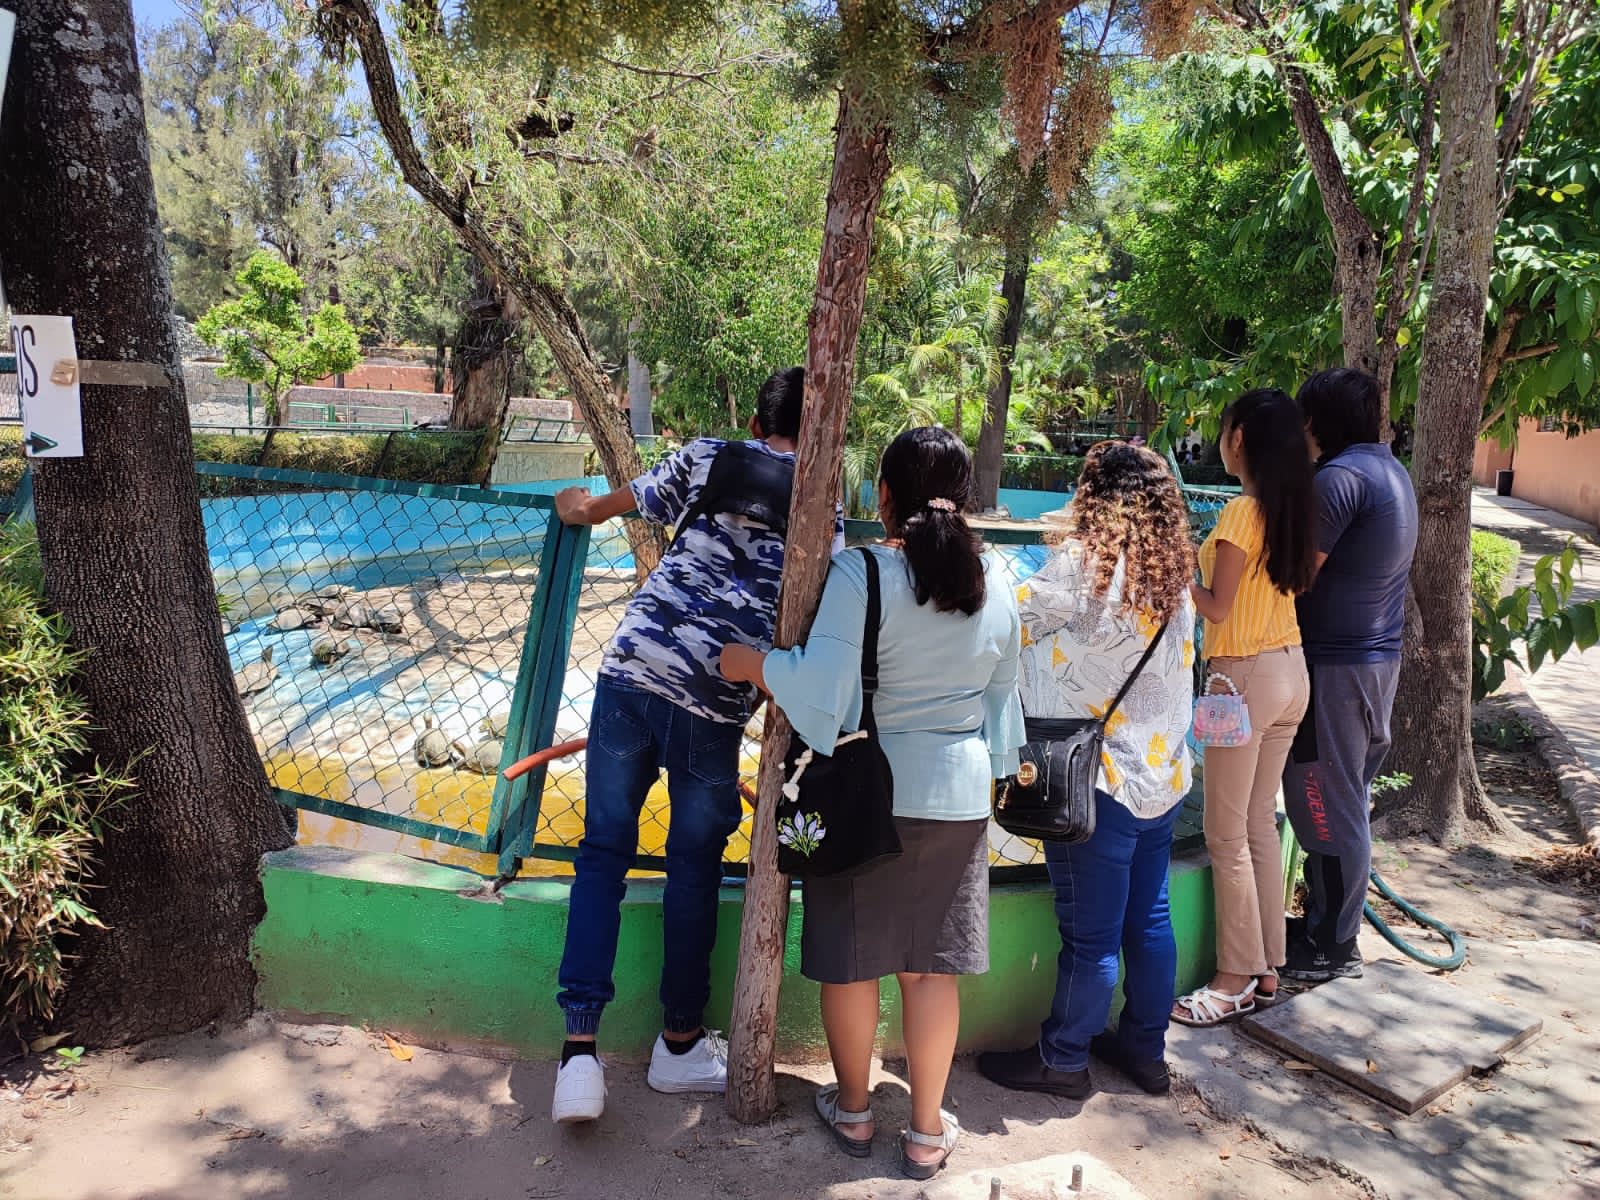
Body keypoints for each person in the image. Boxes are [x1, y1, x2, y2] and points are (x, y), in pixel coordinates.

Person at [719, 427, 1024, 1181]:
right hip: (957, 798)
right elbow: (1002, 703)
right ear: (970, 498)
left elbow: (825, 691)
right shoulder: (999, 582)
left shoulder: (862, 572)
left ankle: (853, 1111)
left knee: (852, 965)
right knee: (931, 972)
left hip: (867, 795)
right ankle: (926, 1132)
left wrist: (753, 663)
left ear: (882, 495)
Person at [548, 366, 841, 1124]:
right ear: (821, 431)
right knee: (693, 872)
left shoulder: (713, 454)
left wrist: (579, 509)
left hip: (632, 666)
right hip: (714, 700)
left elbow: (623, 502)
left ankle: (578, 1055)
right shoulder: (822, 503)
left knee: (602, 856)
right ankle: (678, 1045)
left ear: (758, 416)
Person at [977, 442, 1198, 1100]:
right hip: (1159, 780)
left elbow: (1007, 621)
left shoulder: (1083, 567)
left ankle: (1063, 1059)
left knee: (1090, 934)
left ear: (1092, 493)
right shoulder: (1171, 575)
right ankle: (1143, 1051)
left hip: (1093, 782)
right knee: (1149, 922)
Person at [1173, 389, 1318, 1027]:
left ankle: (1233, 978)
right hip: (1291, 670)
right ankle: (1265, 968)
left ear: (1240, 441)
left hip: (1240, 677)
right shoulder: (1291, 513)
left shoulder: (1237, 514)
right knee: (1259, 823)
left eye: (1225, 426)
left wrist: (1176, 567)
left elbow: (1215, 607)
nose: (1221, 436)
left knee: (1225, 832)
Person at [1280, 368, 1418, 982]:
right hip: (1370, 661)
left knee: (1328, 804)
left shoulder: (1339, 479)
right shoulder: (1388, 469)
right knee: (1342, 801)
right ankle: (1327, 929)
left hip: (1337, 666)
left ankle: (1334, 947)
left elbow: (1294, 574)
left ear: (1315, 422)